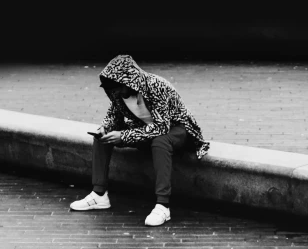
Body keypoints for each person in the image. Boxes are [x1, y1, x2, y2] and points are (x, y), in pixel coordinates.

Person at [70, 55, 209, 226]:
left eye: (119, 87)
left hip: (177, 129)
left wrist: (124, 136)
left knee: (160, 141)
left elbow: (161, 127)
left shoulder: (156, 86)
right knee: (101, 138)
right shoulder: (118, 92)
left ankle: (163, 206)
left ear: (130, 80)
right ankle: (99, 195)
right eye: (113, 89)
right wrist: (105, 128)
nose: (117, 92)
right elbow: (113, 117)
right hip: (145, 129)